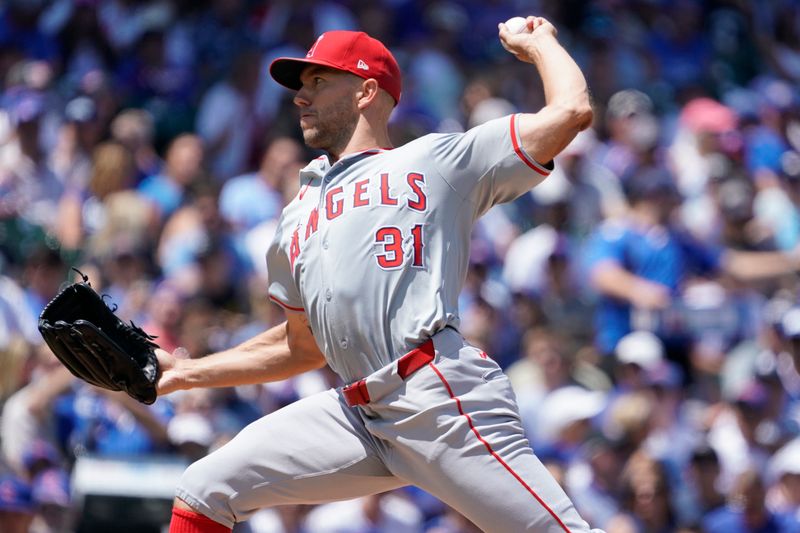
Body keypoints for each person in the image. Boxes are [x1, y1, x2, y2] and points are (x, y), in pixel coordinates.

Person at [157, 18, 599, 532]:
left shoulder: (433, 161)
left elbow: (571, 111)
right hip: (358, 414)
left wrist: (541, 43)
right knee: (204, 490)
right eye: (301, 86)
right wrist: (184, 373)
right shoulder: (298, 212)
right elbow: (302, 346)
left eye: (318, 82)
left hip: (436, 397)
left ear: (367, 90)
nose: (301, 97)